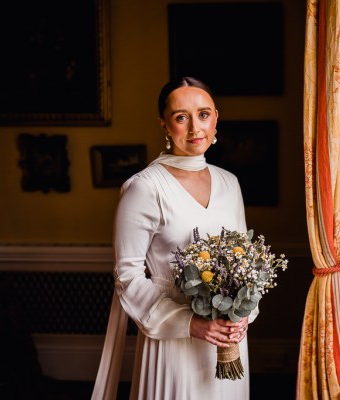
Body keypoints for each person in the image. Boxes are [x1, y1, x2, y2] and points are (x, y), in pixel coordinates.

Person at [92, 77, 256, 400]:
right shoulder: (144, 188)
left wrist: (244, 313)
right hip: (172, 339)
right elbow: (127, 276)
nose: (196, 127)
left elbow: (245, 260)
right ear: (165, 126)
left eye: (204, 114)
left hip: (229, 341)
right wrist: (191, 323)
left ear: (216, 118)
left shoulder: (230, 183)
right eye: (182, 117)